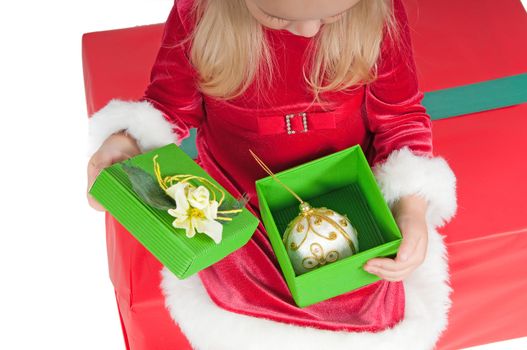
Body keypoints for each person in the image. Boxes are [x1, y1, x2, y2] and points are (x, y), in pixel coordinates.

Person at [87, 0, 457, 348]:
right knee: (237, 303)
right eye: (277, 16)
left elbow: (400, 118)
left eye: (332, 15)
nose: (309, 30)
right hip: (239, 209)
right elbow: (169, 107)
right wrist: (127, 141)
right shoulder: (201, 12)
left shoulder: (378, 12)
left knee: (366, 303)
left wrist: (410, 207)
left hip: (347, 201)